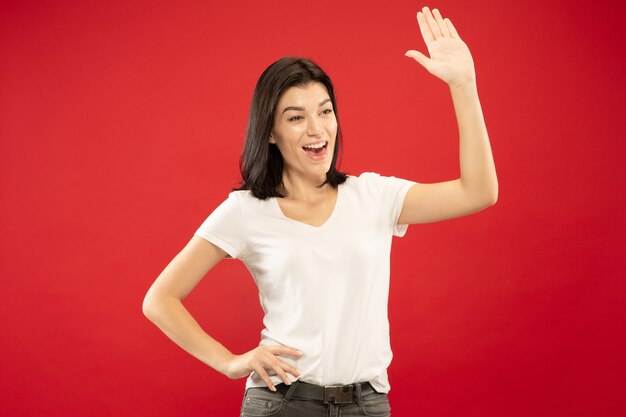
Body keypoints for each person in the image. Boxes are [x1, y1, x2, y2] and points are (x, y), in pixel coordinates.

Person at [142, 6, 497, 417]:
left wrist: (464, 85)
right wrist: (229, 362)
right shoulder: (247, 210)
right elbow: (160, 300)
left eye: (325, 111)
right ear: (271, 132)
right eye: (296, 118)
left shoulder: (373, 196)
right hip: (282, 402)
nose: (317, 129)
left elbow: (479, 192)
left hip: (367, 404)